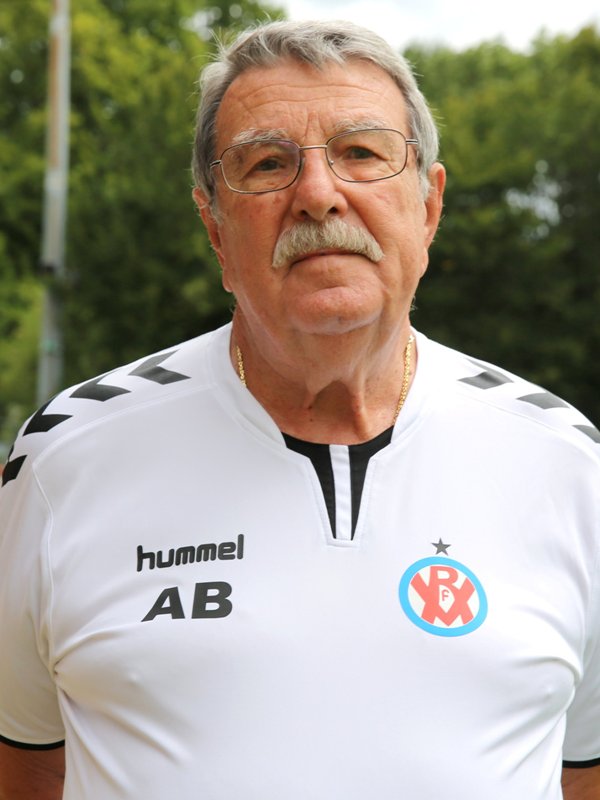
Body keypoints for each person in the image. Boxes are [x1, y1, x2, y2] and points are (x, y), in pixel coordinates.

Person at [0, 19, 599, 800]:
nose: (317, 195)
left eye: (362, 153)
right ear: (216, 228)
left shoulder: (568, 466)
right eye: (268, 164)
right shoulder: (62, 462)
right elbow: (26, 766)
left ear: (428, 207)